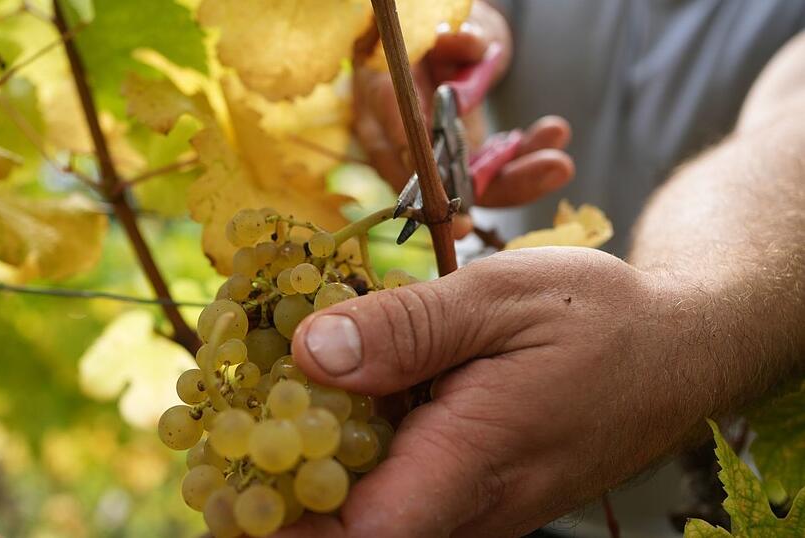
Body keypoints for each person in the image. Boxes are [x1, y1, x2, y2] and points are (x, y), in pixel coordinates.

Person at [276, 1, 805, 537]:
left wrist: (683, 310)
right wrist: (447, 28)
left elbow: (792, 132)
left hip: (703, 505)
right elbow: (469, 13)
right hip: (471, 444)